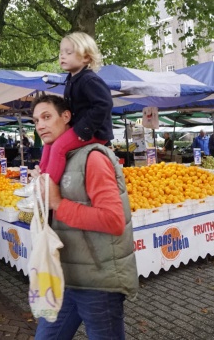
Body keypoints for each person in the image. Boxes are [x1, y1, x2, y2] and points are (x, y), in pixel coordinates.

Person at [32, 94, 138, 340]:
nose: (40, 126)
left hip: (98, 284)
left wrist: (57, 202)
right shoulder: (54, 160)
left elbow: (113, 221)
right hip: (65, 278)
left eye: (47, 117)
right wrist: (41, 191)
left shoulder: (93, 159)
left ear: (66, 116)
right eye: (36, 120)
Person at [40, 32, 113, 185]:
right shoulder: (71, 80)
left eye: (68, 52)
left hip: (94, 131)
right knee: (49, 141)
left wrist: (85, 129)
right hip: (78, 127)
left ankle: (49, 187)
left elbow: (104, 104)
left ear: (86, 57)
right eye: (60, 53)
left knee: (59, 147)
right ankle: (41, 176)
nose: (62, 56)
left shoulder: (89, 80)